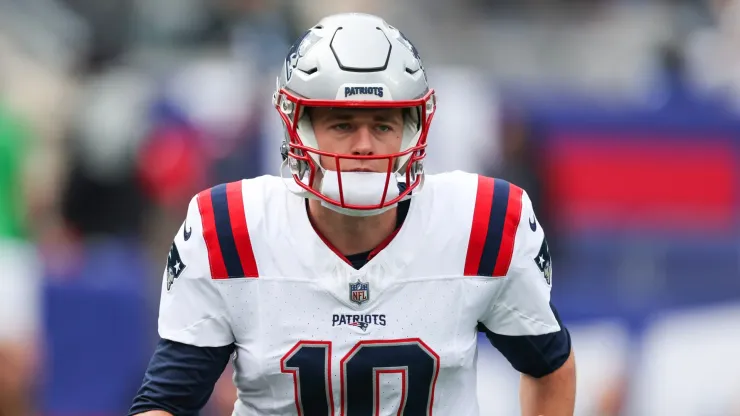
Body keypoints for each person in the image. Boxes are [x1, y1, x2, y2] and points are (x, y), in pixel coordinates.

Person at [129, 12, 575, 416]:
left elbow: (549, 365)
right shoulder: (231, 229)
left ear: (413, 128)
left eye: (383, 124)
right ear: (297, 126)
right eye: (342, 123)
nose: (364, 145)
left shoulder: (479, 222)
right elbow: (165, 403)